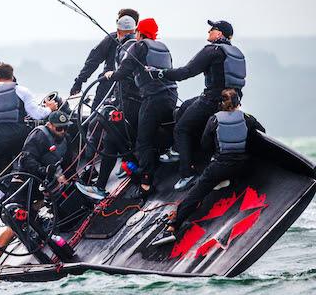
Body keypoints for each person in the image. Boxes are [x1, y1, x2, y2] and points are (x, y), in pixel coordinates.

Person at [157, 89, 264, 243]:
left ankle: (172, 227)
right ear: (238, 103)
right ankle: (227, 182)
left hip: (221, 167)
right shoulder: (248, 118)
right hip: (243, 166)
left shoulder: (214, 119)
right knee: (229, 169)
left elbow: (205, 144)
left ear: (221, 104)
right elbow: (261, 132)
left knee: (195, 193)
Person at [158, 20, 247, 191]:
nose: (208, 31)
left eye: (212, 29)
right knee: (184, 108)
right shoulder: (235, 52)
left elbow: (186, 72)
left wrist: (161, 73)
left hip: (212, 100)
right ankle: (178, 150)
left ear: (219, 34)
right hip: (231, 102)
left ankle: (186, 173)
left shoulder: (212, 50)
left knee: (181, 129)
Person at [97, 18, 177, 196]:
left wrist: (111, 75)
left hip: (152, 99)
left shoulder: (138, 46)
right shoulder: (163, 47)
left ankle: (146, 184)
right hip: (171, 97)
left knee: (143, 142)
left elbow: (124, 71)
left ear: (139, 32)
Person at [75, 20, 141, 199]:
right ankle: (106, 181)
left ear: (119, 31)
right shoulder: (145, 45)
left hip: (126, 102)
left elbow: (96, 61)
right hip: (139, 101)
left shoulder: (126, 45)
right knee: (114, 139)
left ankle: (135, 174)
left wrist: (80, 81)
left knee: (105, 131)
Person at [0, 63, 54, 176]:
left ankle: (3, 190)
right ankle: (28, 181)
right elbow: (37, 115)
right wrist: (50, 108)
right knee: (30, 167)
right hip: (20, 140)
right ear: (12, 76)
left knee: (2, 177)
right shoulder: (22, 91)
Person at [16, 110, 71, 186]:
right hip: (36, 177)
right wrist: (46, 172)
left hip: (56, 175)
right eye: (59, 128)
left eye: (65, 127)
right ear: (49, 125)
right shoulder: (39, 136)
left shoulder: (66, 138)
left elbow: (68, 160)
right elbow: (27, 160)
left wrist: (69, 176)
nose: (62, 131)